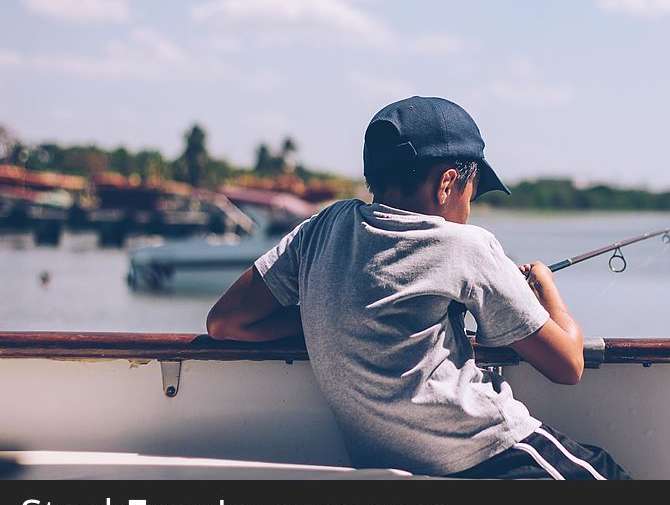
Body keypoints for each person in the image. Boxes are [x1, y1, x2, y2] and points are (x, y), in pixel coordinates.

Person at [206, 96, 630, 480]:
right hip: (492, 454)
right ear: (447, 183)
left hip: (394, 466)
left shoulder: (323, 227)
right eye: (473, 191)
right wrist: (545, 286)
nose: (469, 207)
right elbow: (568, 365)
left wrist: (332, 319)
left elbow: (226, 323)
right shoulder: (467, 246)